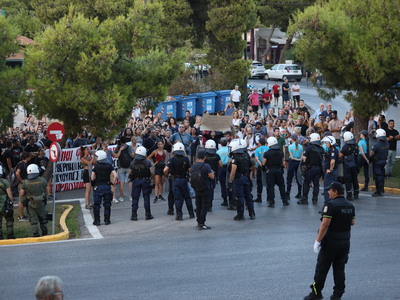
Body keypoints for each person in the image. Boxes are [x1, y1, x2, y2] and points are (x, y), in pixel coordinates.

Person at [303, 182, 355, 300]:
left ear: (336, 191)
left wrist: (317, 241)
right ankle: (338, 294)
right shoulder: (350, 205)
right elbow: (352, 222)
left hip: (330, 243)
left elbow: (325, 224)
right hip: (345, 243)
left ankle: (316, 293)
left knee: (321, 269)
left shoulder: (330, 205)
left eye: (330, 190)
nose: (328, 192)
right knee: (339, 269)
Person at [164, 142, 194, 221]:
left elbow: (165, 169)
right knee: (187, 197)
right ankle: (191, 213)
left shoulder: (172, 159)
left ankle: (179, 215)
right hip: (184, 179)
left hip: (175, 179)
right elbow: (190, 170)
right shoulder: (186, 159)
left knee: (178, 198)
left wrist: (167, 174)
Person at [228, 139, 255, 221]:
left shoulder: (235, 158)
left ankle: (240, 215)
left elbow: (233, 171)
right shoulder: (246, 155)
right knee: (248, 196)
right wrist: (250, 175)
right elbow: (252, 166)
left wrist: (230, 181)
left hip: (239, 179)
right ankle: (252, 213)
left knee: (240, 197)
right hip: (246, 177)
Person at [19, 164, 48, 237]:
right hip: (41, 201)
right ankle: (45, 232)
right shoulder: (42, 180)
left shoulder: (26, 182)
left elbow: (21, 193)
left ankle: (36, 233)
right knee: (43, 218)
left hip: (31, 202)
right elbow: (46, 190)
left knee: (33, 220)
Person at [91, 150, 117, 226]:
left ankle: (97, 221)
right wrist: (112, 182)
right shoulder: (109, 165)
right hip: (107, 186)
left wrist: (93, 183)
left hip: (98, 186)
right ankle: (107, 220)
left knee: (97, 205)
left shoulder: (95, 166)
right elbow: (115, 175)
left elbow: (92, 176)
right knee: (107, 204)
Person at [190, 149, 214, 230]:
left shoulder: (193, 166)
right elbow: (212, 177)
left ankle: (198, 221)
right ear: (204, 157)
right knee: (205, 206)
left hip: (196, 188)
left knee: (198, 205)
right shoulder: (206, 166)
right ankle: (202, 222)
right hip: (205, 188)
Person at [298, 133, 325, 205]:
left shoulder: (309, 148)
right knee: (316, 184)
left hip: (310, 168)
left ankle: (304, 199)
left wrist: (304, 165)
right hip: (319, 168)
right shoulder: (321, 149)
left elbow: (304, 158)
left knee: (306, 183)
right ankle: (315, 199)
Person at [262, 137, 289, 207]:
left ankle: (271, 202)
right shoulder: (280, 152)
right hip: (279, 170)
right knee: (281, 186)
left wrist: (264, 169)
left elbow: (263, 163)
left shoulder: (267, 153)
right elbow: (283, 161)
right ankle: (284, 201)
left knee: (271, 187)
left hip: (270, 170)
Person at [129, 146, 154, 221]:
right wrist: (150, 177)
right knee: (146, 198)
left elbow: (130, 172)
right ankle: (148, 214)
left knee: (135, 198)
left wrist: (132, 176)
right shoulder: (147, 162)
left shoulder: (133, 162)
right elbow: (152, 172)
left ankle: (134, 215)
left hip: (136, 180)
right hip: (145, 180)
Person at [112, 136, 134, 202]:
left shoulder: (118, 147)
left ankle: (121, 197)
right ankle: (130, 196)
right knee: (129, 181)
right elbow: (132, 155)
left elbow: (115, 155)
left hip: (120, 166)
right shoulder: (129, 147)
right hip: (129, 166)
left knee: (121, 182)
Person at [339, 132, 359, 201]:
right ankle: (356, 193)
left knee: (348, 180)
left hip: (347, 165)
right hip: (355, 165)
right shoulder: (356, 145)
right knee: (355, 179)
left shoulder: (345, 147)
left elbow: (340, 155)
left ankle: (349, 195)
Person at [370, 129, 389, 197]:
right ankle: (382, 189)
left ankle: (378, 191)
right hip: (384, 161)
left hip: (377, 161)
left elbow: (371, 154)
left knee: (378, 176)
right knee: (382, 175)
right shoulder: (387, 143)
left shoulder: (376, 145)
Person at [204, 140, 222, 211]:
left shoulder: (204, 155)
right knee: (211, 190)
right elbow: (221, 164)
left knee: (204, 190)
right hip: (213, 175)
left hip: (205, 175)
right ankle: (210, 205)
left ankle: (205, 205)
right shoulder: (216, 155)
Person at [321, 136, 339, 205]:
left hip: (331, 173)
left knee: (328, 189)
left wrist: (330, 170)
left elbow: (332, 161)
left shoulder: (333, 151)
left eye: (327, 143)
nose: (326, 144)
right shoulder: (332, 150)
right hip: (333, 172)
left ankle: (327, 205)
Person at [286, 134, 303, 200]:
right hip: (299, 163)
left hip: (292, 162)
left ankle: (288, 193)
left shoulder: (290, 146)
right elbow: (301, 156)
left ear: (292, 139)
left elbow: (291, 157)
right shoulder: (301, 146)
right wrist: (299, 159)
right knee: (298, 177)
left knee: (289, 178)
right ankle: (299, 192)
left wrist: (295, 159)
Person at [0, 165, 15, 239]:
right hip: (5, 205)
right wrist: (11, 202)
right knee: (9, 220)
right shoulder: (5, 181)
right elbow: (9, 193)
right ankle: (10, 235)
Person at [216, 138, 231, 207]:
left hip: (221, 168)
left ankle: (225, 200)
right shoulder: (229, 150)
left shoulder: (218, 152)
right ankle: (231, 199)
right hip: (229, 167)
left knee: (222, 184)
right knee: (230, 182)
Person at [254, 137, 269, 202]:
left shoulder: (257, 150)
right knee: (268, 181)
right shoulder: (268, 149)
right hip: (267, 166)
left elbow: (257, 159)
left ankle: (259, 197)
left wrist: (261, 164)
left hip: (260, 167)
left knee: (259, 182)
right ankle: (269, 196)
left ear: (259, 143)